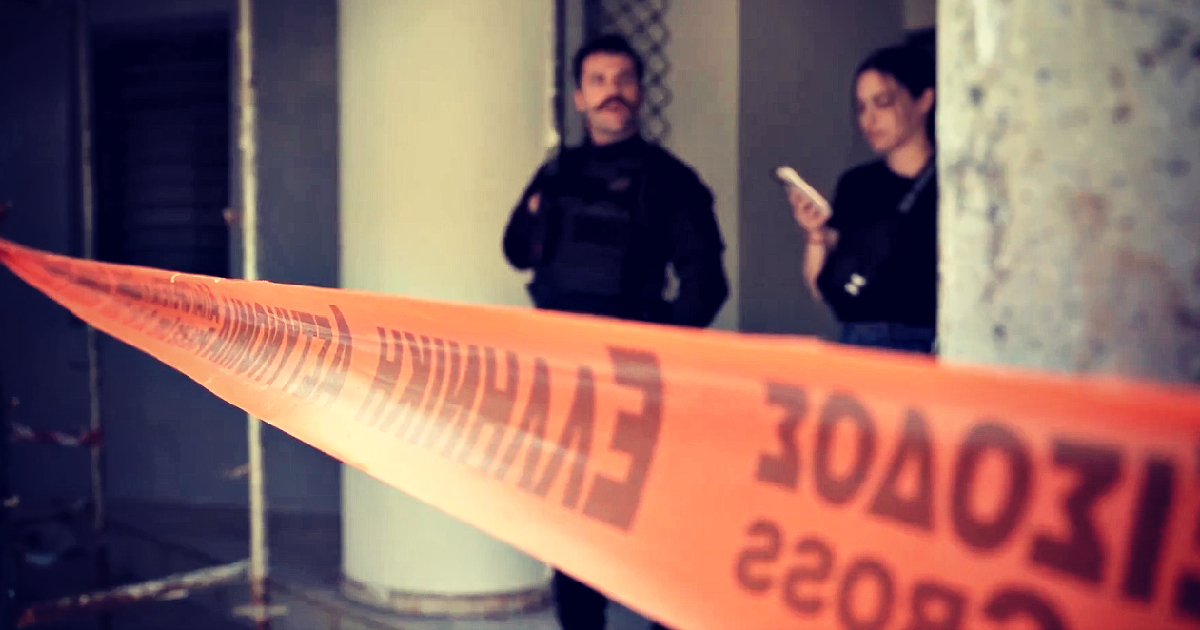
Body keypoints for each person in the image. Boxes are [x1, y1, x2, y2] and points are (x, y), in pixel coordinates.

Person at [502, 34, 729, 630]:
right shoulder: (555, 173)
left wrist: (656, 351)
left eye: (624, 79)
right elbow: (516, 251)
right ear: (579, 96)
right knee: (571, 522)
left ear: (641, 91)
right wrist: (536, 212)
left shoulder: (672, 180)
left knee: (655, 520)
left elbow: (707, 284)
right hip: (565, 375)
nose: (613, 92)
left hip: (637, 378)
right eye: (599, 81)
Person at [790, 45, 938, 354]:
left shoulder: (956, 187)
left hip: (930, 349)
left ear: (924, 99)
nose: (868, 120)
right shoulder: (856, 184)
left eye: (883, 103)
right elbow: (826, 289)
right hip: (857, 345)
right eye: (860, 108)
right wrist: (815, 234)